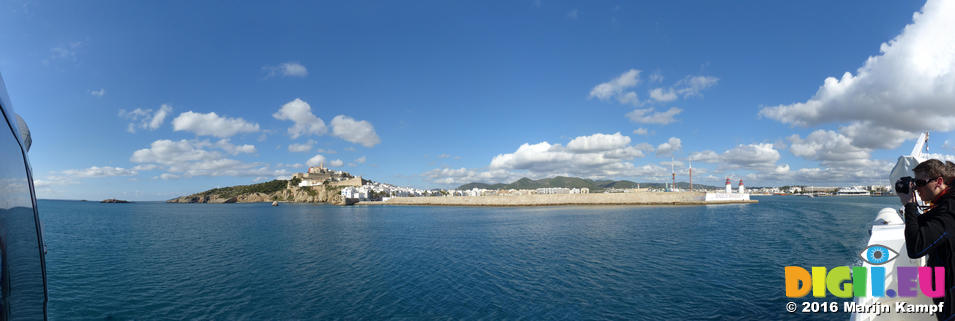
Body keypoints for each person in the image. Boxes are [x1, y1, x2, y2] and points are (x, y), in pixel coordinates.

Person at [900, 159, 955, 320]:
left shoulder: (949, 210)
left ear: (938, 181)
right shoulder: (945, 204)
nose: (917, 188)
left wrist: (909, 205)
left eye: (920, 182)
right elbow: (923, 223)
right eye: (915, 184)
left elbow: (916, 248)